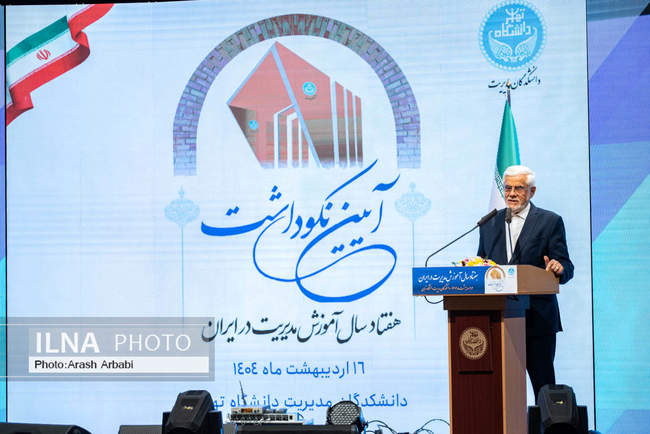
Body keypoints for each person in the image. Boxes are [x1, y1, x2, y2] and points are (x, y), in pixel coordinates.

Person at [477, 165, 574, 402]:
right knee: (497, 390)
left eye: (518, 188)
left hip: (537, 320)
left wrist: (559, 268)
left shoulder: (550, 221)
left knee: (543, 388)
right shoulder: (489, 223)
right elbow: (481, 263)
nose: (511, 194)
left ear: (532, 191)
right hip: (496, 320)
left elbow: (566, 265)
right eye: (508, 188)